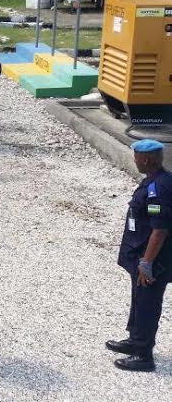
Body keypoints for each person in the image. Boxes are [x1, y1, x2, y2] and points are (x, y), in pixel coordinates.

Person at [108, 139, 170, 372]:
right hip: (141, 254)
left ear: (146, 160)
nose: (134, 160)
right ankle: (135, 340)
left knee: (147, 303)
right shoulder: (154, 179)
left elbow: (160, 229)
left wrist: (147, 263)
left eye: (136, 157)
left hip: (153, 260)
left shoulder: (159, 188)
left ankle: (144, 356)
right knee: (139, 298)